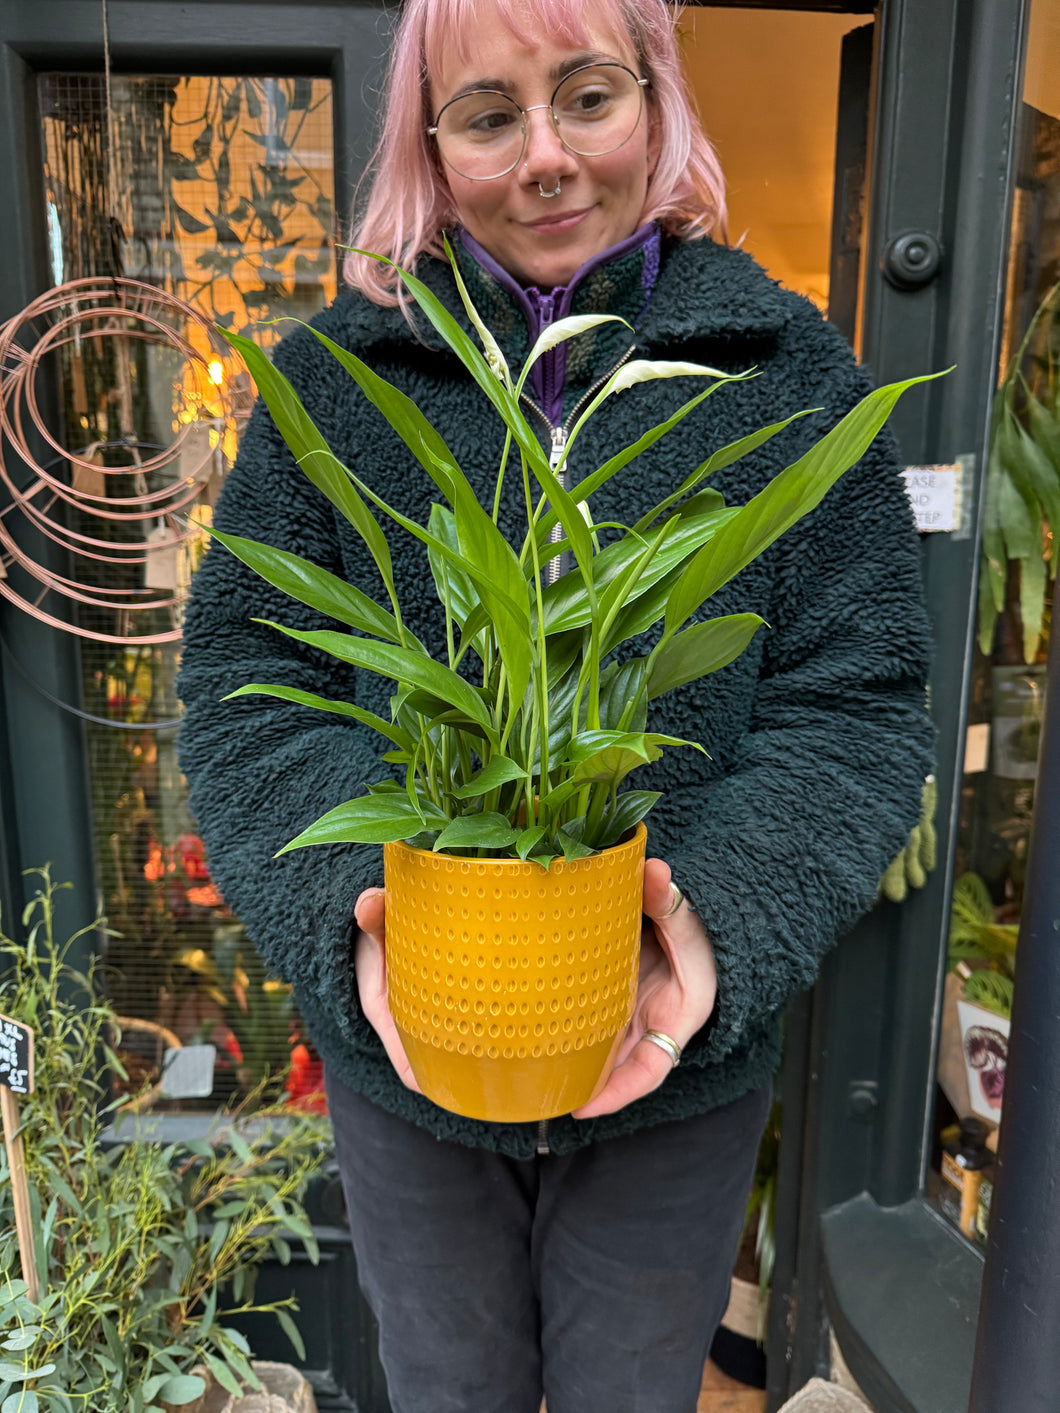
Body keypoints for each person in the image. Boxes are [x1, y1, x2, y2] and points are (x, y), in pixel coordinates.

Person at [177, 1, 934, 1409]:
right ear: (429, 144)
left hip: (675, 1071)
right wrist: (351, 918)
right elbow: (245, 687)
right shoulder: (337, 385)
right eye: (488, 116)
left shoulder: (785, 374)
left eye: (587, 95)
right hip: (415, 1066)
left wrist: (707, 920)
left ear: (658, 104)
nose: (545, 158)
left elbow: (861, 700)